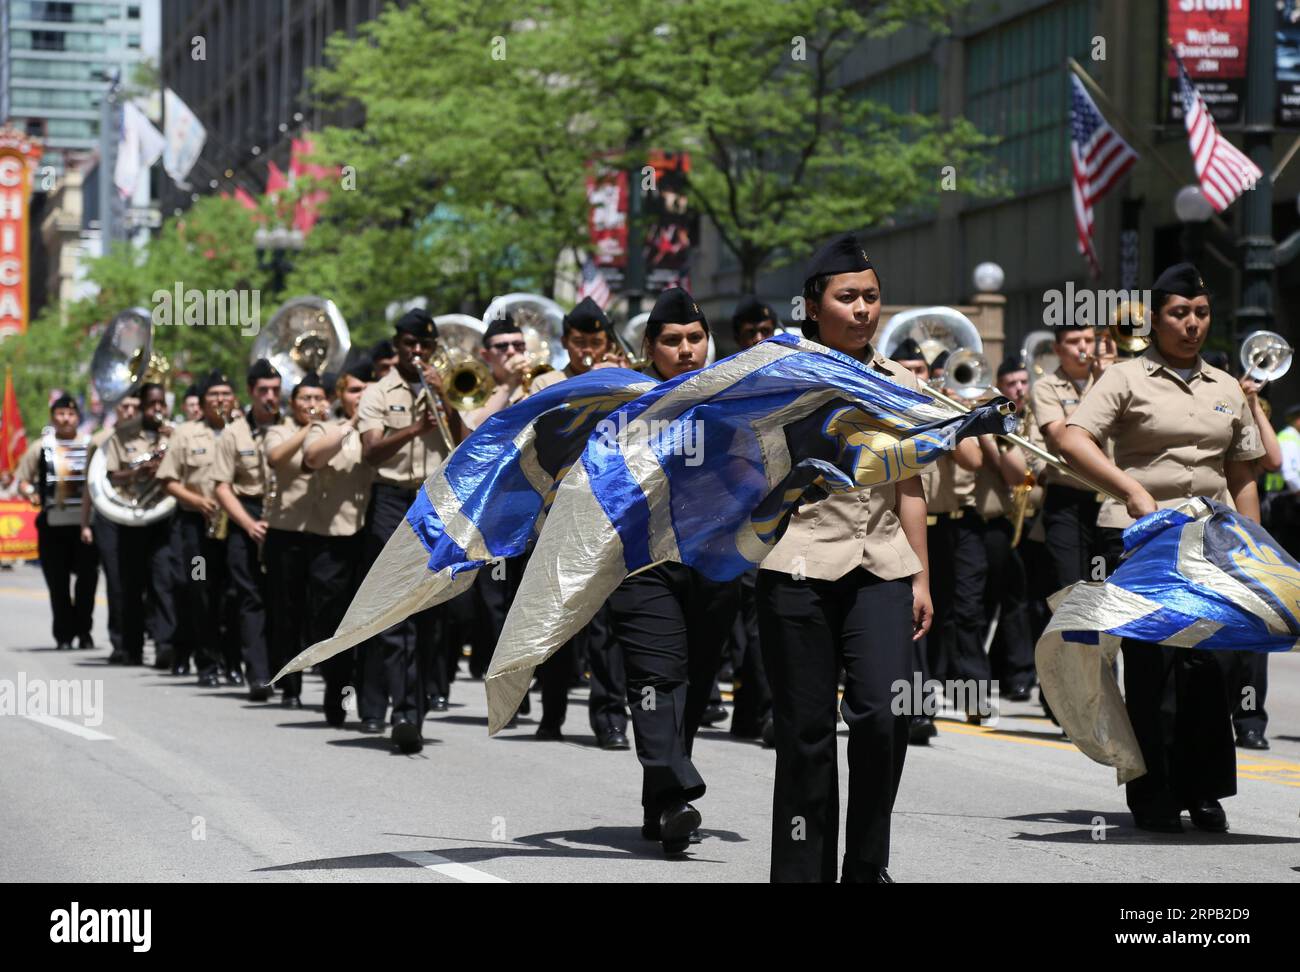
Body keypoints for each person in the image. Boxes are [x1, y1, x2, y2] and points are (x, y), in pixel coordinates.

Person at [1059, 262, 1264, 834]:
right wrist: (1128, 487)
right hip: (1144, 536)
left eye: (1200, 313)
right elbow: (1074, 436)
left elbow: (1243, 470)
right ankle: (1153, 792)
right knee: (1153, 663)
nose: (1192, 324)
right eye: (1179, 313)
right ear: (1154, 319)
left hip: (1213, 538)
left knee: (1208, 666)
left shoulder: (1226, 386)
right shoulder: (1125, 378)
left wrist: (1252, 544)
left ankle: (1204, 789)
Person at [757, 233, 932, 883]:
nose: (863, 309)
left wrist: (921, 577)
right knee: (806, 732)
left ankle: (865, 865)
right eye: (848, 297)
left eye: (872, 297)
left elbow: (909, 486)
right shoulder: (776, 379)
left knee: (886, 716)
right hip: (795, 567)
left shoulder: (901, 384)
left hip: (881, 567)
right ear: (813, 304)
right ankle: (802, 873)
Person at [600, 287, 740, 853]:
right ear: (649, 347)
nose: (686, 349)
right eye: (672, 340)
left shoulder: (735, 398)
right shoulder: (623, 402)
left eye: (695, 338)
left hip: (713, 560)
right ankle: (678, 791)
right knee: (655, 679)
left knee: (694, 682)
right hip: (643, 562)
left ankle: (660, 803)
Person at [356, 309, 463, 753]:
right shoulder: (378, 392)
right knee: (398, 606)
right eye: (408, 345)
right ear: (397, 343)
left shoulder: (450, 383)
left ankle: (415, 710)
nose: (416, 353)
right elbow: (370, 453)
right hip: (392, 501)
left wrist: (448, 403)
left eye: (424, 346)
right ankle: (401, 711)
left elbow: (468, 444)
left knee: (432, 611)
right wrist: (418, 427)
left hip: (437, 502)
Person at [303, 363, 377, 725]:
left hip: (369, 536)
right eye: (353, 391)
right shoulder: (325, 428)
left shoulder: (379, 430)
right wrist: (351, 424)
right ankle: (336, 692)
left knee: (368, 622)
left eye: (366, 390)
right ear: (339, 397)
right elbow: (313, 457)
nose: (360, 397)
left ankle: (370, 703)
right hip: (331, 539)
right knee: (329, 621)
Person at [158, 370, 236, 686]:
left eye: (225, 394)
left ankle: (233, 662)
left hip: (233, 528)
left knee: (232, 595)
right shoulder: (186, 433)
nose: (219, 400)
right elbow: (167, 480)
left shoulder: (242, 432)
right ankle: (206, 662)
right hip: (196, 528)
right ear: (202, 403)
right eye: (213, 395)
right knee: (200, 590)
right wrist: (198, 501)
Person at [212, 358, 281, 696]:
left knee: (281, 598)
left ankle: (285, 671)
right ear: (252, 392)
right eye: (264, 390)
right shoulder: (233, 433)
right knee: (250, 598)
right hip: (247, 516)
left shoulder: (292, 426)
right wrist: (249, 524)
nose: (271, 397)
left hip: (285, 518)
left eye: (276, 390)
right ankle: (258, 674)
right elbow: (222, 486)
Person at [262, 374, 330, 708]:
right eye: (305, 399)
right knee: (286, 611)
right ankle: (289, 686)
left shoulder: (336, 427)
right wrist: (311, 428)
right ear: (293, 403)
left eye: (318, 398)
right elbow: (275, 458)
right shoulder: (281, 429)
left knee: (318, 609)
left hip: (323, 531)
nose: (312, 405)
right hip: (286, 532)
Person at [102, 384, 177, 668]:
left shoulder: (175, 434)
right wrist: (137, 472)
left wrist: (172, 446)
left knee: (164, 582)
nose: (157, 409)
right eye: (151, 404)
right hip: (132, 517)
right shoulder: (123, 435)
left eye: (161, 404)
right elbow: (111, 477)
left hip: (164, 517)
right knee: (130, 586)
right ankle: (131, 648)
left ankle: (165, 645)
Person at [16, 394, 98, 651]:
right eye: (61, 414)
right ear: (53, 417)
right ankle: (63, 634)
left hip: (85, 525)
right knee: (58, 583)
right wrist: (30, 492)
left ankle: (84, 631)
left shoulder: (90, 445)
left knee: (87, 582)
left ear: (78, 417)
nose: (66, 419)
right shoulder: (41, 446)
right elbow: (23, 480)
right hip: (52, 524)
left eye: (71, 414)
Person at [83, 393, 140, 662]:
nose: (130, 412)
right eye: (124, 407)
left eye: (135, 407)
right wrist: (85, 522)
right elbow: (90, 485)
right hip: (109, 518)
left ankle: (156, 642)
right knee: (116, 580)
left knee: (159, 580)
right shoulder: (99, 440)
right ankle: (120, 642)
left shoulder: (152, 437)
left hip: (144, 517)